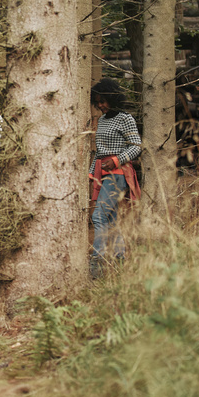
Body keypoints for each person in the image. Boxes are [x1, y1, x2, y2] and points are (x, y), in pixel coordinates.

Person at [89, 78, 141, 279]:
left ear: (113, 98)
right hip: (102, 173)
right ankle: (119, 260)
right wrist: (92, 172)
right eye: (97, 102)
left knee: (98, 216)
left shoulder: (125, 118)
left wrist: (118, 160)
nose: (100, 105)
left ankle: (97, 262)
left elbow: (136, 146)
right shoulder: (102, 120)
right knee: (111, 218)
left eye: (103, 101)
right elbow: (99, 151)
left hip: (118, 174)